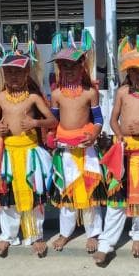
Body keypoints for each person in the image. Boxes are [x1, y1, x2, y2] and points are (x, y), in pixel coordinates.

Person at [93, 35, 139, 266]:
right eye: (134, 72)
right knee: (116, 199)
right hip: (124, 152)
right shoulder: (122, 92)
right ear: (128, 73)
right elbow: (113, 119)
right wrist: (120, 134)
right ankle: (106, 243)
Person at [0, 38, 57, 258]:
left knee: (33, 194)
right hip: (7, 154)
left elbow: (52, 120)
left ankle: (35, 235)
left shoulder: (33, 97)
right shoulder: (1, 97)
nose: (14, 77)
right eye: (9, 72)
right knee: (7, 196)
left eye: (18, 72)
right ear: (3, 74)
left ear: (27, 74)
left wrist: (36, 123)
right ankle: (8, 236)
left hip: (30, 153)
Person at [48, 31, 107, 253]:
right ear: (59, 69)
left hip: (86, 148)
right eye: (64, 66)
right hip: (65, 150)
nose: (69, 71)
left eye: (73, 66)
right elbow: (53, 120)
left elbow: (99, 119)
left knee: (90, 191)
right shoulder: (56, 95)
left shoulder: (90, 93)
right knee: (67, 193)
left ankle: (94, 233)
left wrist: (94, 133)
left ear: (83, 65)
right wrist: (50, 135)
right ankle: (65, 233)